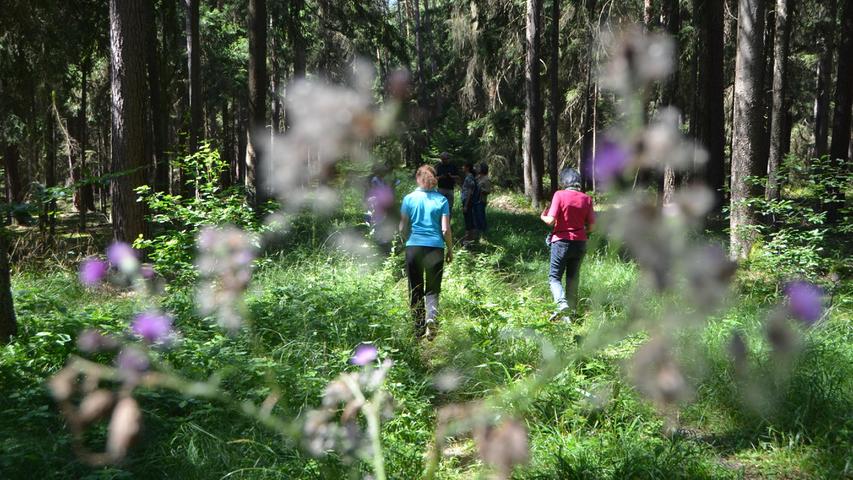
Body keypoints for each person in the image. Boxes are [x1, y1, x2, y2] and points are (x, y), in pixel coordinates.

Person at [400, 165, 453, 339]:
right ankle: (431, 319)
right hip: (435, 248)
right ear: (434, 179)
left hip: (413, 247)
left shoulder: (408, 199)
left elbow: (402, 227)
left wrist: (406, 241)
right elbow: (445, 230)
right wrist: (450, 249)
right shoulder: (442, 200)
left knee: (415, 288)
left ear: (418, 178)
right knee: (432, 288)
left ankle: (418, 328)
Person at [540, 167, 595, 322]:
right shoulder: (587, 199)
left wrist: (543, 216)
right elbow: (592, 227)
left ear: (564, 182)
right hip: (580, 243)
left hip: (561, 242)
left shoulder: (559, 195)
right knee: (572, 278)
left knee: (554, 278)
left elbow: (551, 220)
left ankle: (561, 304)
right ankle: (570, 315)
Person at [460, 162, 479, 244]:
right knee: (469, 218)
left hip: (468, 201)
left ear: (467, 167)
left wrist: (466, 205)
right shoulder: (468, 177)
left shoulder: (469, 177)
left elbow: (470, 191)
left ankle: (468, 239)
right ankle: (470, 238)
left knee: (468, 219)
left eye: (463, 166)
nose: (462, 167)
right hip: (467, 201)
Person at [473, 163, 492, 240]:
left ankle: (484, 232)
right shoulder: (478, 178)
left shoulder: (486, 179)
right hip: (475, 200)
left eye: (479, 168)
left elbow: (488, 191)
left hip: (481, 200)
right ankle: (477, 231)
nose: (478, 169)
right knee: (475, 216)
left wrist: (481, 189)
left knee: (481, 217)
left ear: (483, 169)